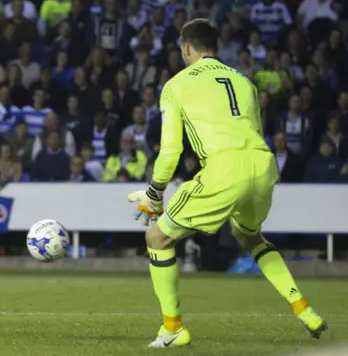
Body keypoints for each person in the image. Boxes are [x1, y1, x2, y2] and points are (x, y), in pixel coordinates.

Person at [127, 19, 327, 348]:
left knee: (157, 237)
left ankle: (173, 329)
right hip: (263, 163)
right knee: (249, 237)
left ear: (187, 48)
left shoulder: (176, 85)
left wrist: (154, 192)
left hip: (223, 167)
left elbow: (171, 151)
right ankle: (303, 308)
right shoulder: (244, 81)